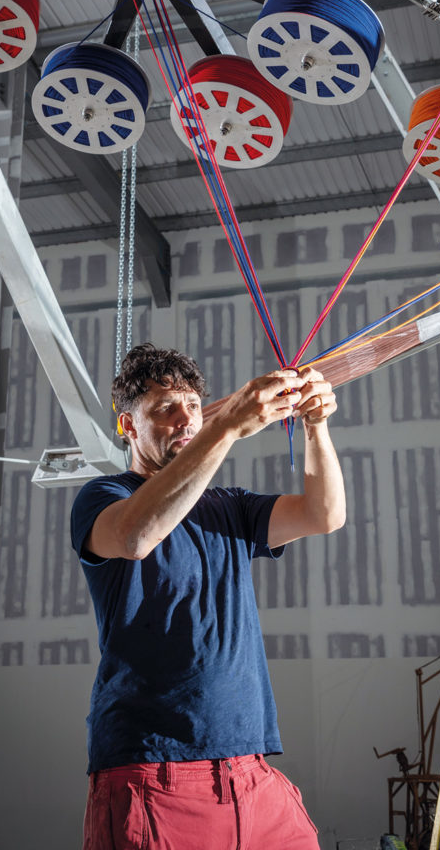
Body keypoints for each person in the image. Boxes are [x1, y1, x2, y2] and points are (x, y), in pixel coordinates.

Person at [71, 343, 345, 850]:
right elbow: (136, 537)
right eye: (165, 408)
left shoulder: (230, 506)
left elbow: (323, 514)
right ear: (128, 426)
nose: (185, 419)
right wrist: (226, 428)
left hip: (251, 771)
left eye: (194, 406)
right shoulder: (105, 497)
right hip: (154, 773)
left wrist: (316, 426)